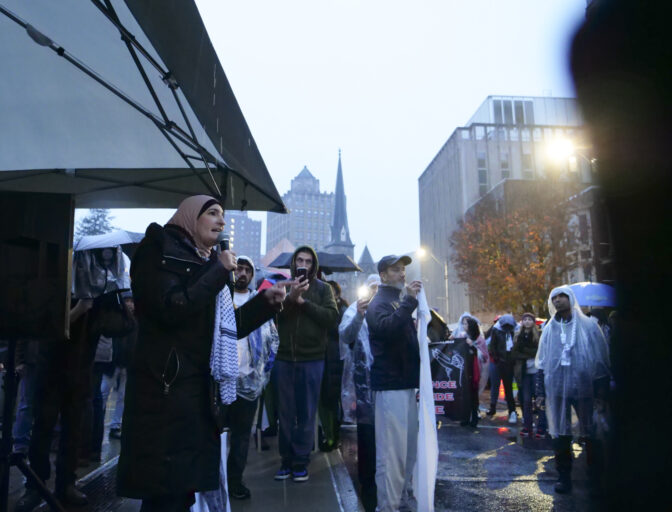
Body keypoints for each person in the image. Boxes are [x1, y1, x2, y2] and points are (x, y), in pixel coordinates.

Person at [116, 195, 286, 512]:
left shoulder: (205, 261)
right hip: (164, 393)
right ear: (190, 217)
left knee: (180, 493)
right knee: (163, 495)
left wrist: (266, 304)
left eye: (222, 215)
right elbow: (172, 307)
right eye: (212, 213)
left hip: (195, 393)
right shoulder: (157, 252)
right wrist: (217, 271)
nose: (221, 222)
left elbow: (223, 327)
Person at [535, 285, 610, 494]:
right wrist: (540, 392)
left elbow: (600, 361)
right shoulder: (549, 329)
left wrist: (601, 394)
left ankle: (595, 479)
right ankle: (564, 477)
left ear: (571, 298)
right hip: (557, 389)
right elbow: (542, 362)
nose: (558, 300)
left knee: (591, 433)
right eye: (554, 297)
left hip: (585, 388)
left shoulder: (588, 326)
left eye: (562, 296)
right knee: (560, 434)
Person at [273, 246, 339, 482]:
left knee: (307, 412)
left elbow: (332, 318)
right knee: (286, 413)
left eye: (308, 261)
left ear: (314, 265)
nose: (303, 264)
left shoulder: (324, 289)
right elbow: (274, 318)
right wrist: (290, 299)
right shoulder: (284, 286)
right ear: (293, 263)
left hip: (313, 359)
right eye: (299, 260)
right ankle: (286, 461)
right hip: (284, 358)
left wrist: (303, 303)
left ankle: (301, 461)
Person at [366, 255, 421, 512]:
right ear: (384, 275)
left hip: (405, 384)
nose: (402, 274)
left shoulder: (398, 300)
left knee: (407, 452)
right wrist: (409, 302)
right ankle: (387, 506)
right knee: (391, 455)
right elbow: (386, 329)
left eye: (403, 269)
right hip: (390, 386)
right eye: (396, 270)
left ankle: (399, 500)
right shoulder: (379, 301)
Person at [225, 256, 279, 500]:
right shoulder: (221, 299)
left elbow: (273, 341)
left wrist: (263, 372)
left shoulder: (259, 302)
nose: (243, 273)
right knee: (215, 434)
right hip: (221, 381)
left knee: (241, 436)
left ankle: (235, 480)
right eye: (239, 269)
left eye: (247, 270)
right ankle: (213, 482)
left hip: (249, 382)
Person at [339, 274, 380, 512]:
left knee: (384, 434)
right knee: (367, 433)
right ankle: (367, 480)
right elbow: (345, 335)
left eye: (378, 288)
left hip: (386, 380)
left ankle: (381, 476)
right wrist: (359, 315)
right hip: (363, 383)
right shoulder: (355, 309)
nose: (375, 292)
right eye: (372, 288)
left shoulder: (389, 309)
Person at [318, 280, 348, 452]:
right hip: (325, 360)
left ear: (336, 294)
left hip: (334, 362)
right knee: (325, 400)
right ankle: (329, 435)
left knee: (330, 401)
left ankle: (332, 437)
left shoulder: (341, 311)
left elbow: (341, 334)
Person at [512, 313, 541, 438]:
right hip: (523, 372)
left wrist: (526, 352)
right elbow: (515, 353)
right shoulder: (518, 335)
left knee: (539, 400)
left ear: (533, 322)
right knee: (526, 400)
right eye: (525, 320)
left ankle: (542, 427)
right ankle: (527, 426)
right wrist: (527, 354)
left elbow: (538, 352)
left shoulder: (538, 334)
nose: (527, 322)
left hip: (536, 370)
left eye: (530, 319)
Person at [488, 313, 518, 423]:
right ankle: (492, 407)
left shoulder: (515, 331)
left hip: (509, 363)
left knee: (509, 388)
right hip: (499, 362)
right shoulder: (496, 330)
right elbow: (492, 346)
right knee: (494, 385)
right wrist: (497, 359)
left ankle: (512, 411)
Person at [461, 316, 488, 428]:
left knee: (473, 395)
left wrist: (472, 345)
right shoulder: (462, 337)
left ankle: (474, 418)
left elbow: (484, 356)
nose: (464, 326)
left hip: (475, 370)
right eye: (463, 324)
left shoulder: (479, 339)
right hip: (465, 370)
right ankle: (466, 417)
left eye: (466, 324)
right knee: (465, 395)